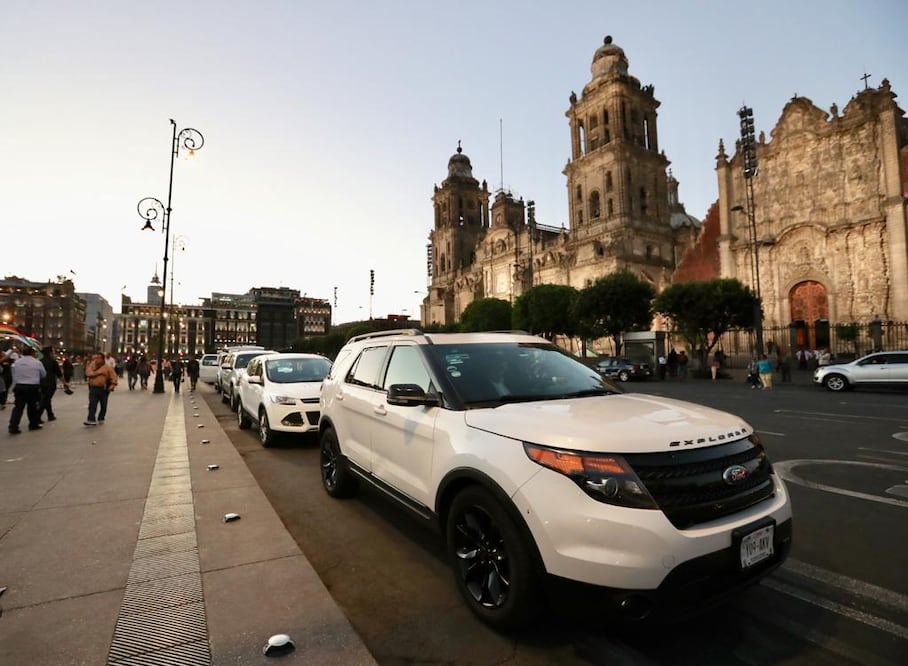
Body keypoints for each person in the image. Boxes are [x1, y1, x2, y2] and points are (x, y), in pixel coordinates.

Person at [8, 346, 45, 434]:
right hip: (32, 386)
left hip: (20, 386)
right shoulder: (37, 362)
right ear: (32, 353)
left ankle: (13, 426)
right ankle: (33, 424)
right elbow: (43, 374)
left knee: (18, 407)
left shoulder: (17, 362)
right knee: (32, 406)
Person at [84, 352, 118, 425]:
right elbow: (88, 373)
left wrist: (112, 385)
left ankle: (101, 417)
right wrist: (99, 373)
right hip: (93, 388)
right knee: (92, 404)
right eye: (96, 358)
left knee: (103, 405)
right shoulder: (91, 366)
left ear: (103, 359)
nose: (96, 360)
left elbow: (113, 377)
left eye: (98, 358)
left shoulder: (108, 367)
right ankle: (91, 419)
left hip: (104, 389)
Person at [38, 346, 66, 422]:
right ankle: (37, 416)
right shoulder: (53, 362)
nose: (54, 353)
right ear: (50, 353)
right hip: (50, 383)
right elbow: (59, 374)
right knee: (45, 400)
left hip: (41, 383)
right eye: (53, 352)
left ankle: (50, 415)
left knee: (46, 399)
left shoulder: (40, 361)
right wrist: (64, 383)